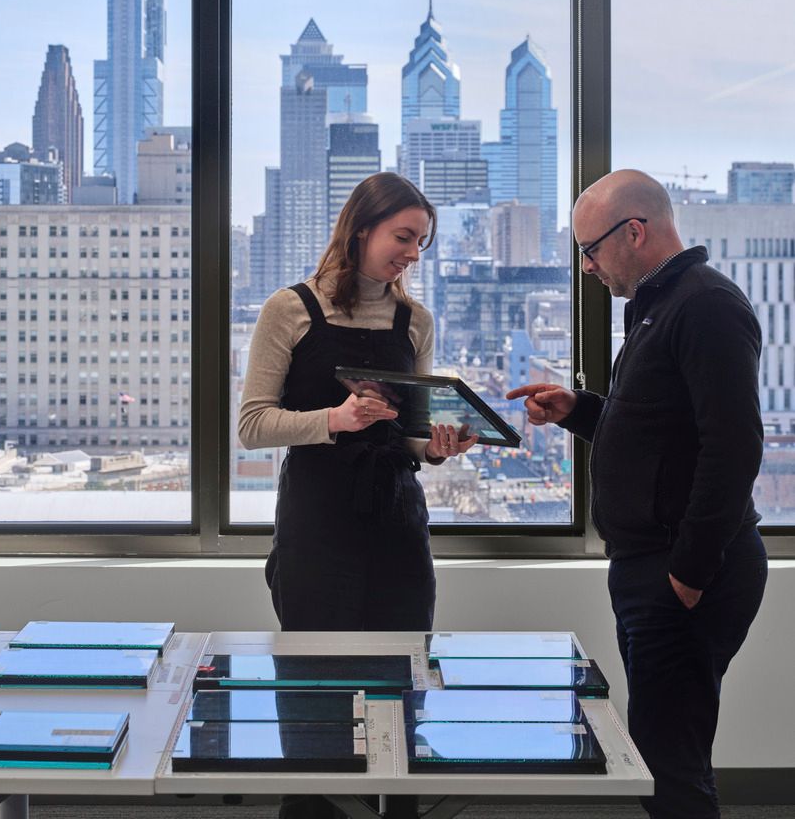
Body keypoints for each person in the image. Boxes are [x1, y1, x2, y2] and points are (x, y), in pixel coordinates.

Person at [507, 169, 767, 819]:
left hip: (683, 572)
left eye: (590, 250)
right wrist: (578, 410)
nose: (588, 267)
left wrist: (687, 574)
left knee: (667, 769)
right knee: (665, 753)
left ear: (635, 231)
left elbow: (733, 448)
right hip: (655, 567)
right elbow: (656, 437)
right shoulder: (659, 308)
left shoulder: (705, 305)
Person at [239, 171, 477, 819]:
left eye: (421, 242)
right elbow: (253, 422)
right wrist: (334, 421)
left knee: (399, 688)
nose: (413, 253)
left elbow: (408, 435)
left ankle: (396, 807)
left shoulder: (415, 320)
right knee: (316, 693)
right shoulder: (290, 310)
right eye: (403, 237)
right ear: (361, 228)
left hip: (397, 523)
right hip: (317, 525)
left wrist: (435, 447)